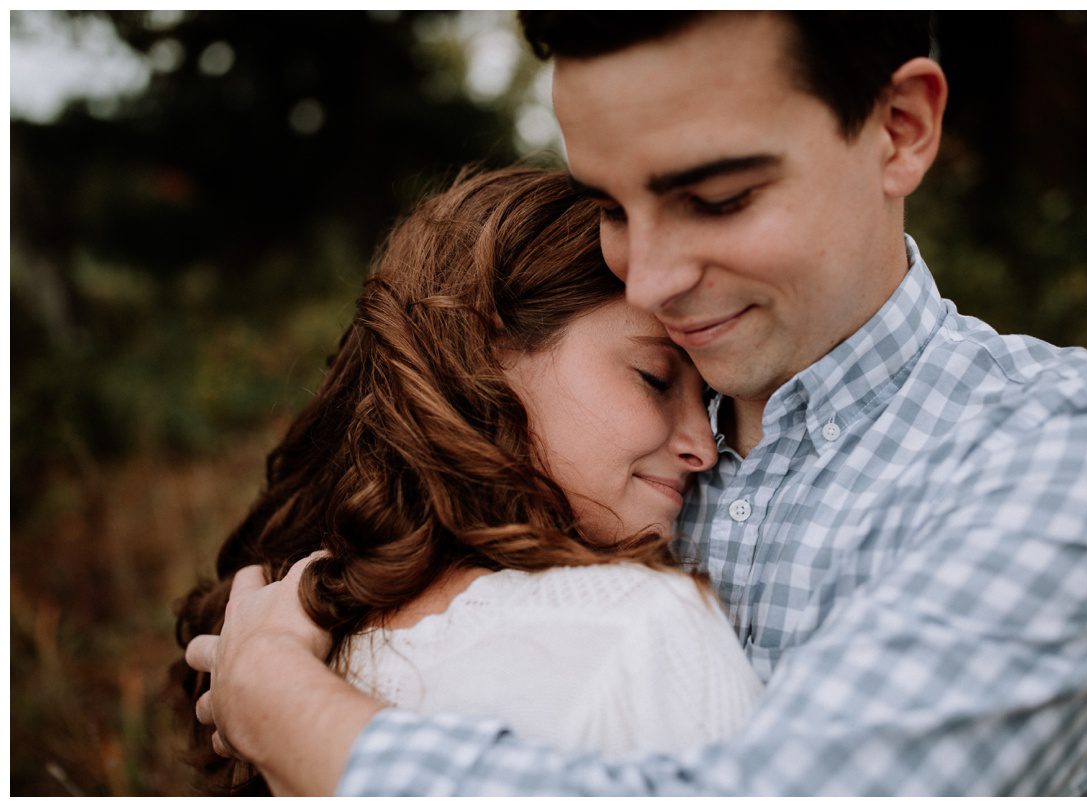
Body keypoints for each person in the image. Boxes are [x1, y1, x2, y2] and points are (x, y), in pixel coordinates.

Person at [186, 11, 1087, 796]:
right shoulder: (570, 456)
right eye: (611, 207)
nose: (650, 278)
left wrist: (281, 705)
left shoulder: (1063, 457)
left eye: (717, 199)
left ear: (901, 129)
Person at [174, 167, 762, 795]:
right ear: (484, 348)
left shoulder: (275, 634)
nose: (705, 447)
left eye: (709, 404)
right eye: (654, 378)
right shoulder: (649, 630)